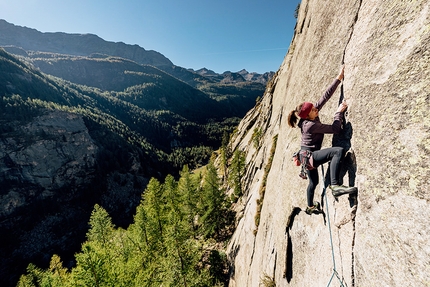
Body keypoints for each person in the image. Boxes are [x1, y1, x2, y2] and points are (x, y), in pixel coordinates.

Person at [288, 65, 357, 215]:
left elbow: (325, 96)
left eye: (314, 107)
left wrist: (339, 78)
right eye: (313, 109)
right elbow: (335, 129)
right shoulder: (310, 125)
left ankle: (310, 206)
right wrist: (338, 113)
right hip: (310, 156)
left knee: (314, 182)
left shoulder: (311, 114)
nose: (316, 109)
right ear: (307, 116)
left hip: (305, 156)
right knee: (337, 152)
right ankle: (335, 186)